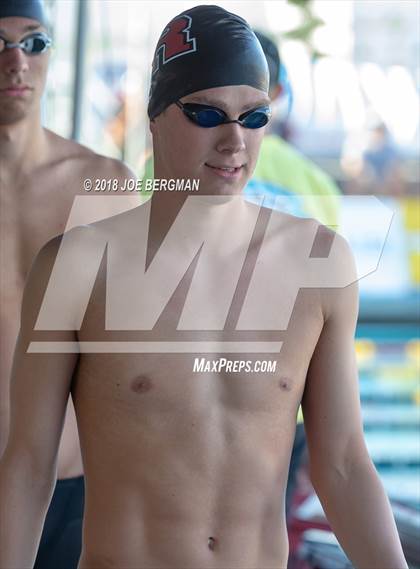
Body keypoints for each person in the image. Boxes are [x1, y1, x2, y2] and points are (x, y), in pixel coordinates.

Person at [0, 5, 408, 569]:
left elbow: (341, 463)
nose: (234, 141)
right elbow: (28, 465)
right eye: (206, 114)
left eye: (254, 117)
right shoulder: (77, 265)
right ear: (155, 116)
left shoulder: (321, 263)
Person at [0, 1, 137, 567]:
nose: (17, 62)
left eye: (35, 43)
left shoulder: (106, 186)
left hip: (75, 492)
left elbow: (139, 360)